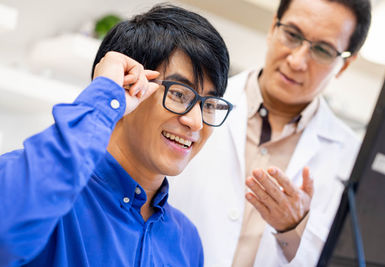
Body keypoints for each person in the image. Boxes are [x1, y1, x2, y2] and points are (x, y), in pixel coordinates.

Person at [0, 4, 231, 266]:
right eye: (179, 94)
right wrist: (104, 98)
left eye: (209, 104)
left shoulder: (185, 240)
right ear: (127, 84)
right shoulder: (33, 184)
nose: (196, 122)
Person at [168, 0, 372, 266]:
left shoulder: (353, 162)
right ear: (273, 27)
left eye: (322, 50)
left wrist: (294, 228)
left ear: (344, 65)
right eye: (292, 34)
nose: (297, 61)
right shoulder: (193, 108)